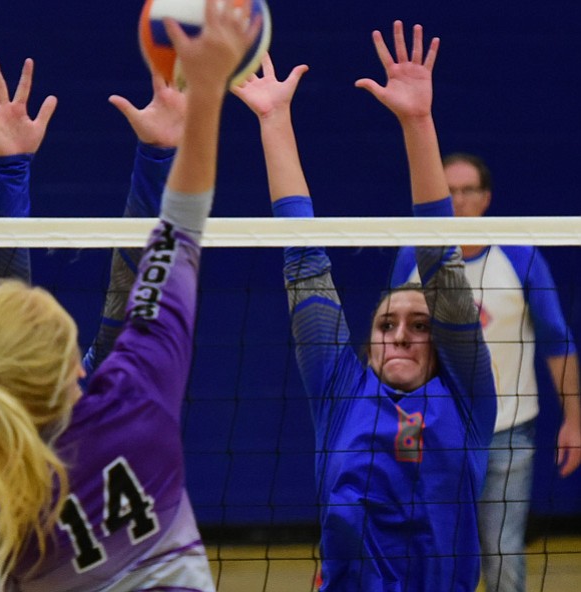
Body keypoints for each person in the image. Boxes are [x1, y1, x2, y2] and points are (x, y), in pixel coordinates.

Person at [0, 2, 261, 590]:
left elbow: (7, 306)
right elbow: (165, 250)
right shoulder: (134, 405)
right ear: (78, 370)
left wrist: (9, 171)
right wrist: (192, 114)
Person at [233, 22, 496, 590]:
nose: (400, 334)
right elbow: (304, 265)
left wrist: (418, 120)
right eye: (387, 323)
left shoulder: (467, 397)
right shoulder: (340, 390)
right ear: (367, 340)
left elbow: (439, 262)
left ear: (444, 340)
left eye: (420, 325)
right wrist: (274, 120)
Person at [0, 55, 186, 459]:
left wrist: (11, 169)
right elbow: (8, 309)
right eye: (69, 360)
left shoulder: (80, 404)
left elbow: (124, 308)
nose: (83, 370)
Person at [390, 152, 581, 592]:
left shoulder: (519, 256)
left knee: (500, 550)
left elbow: (557, 339)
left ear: (486, 197)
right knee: (432, 549)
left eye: (467, 190)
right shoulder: (413, 256)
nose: (457, 200)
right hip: (434, 430)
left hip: (509, 430)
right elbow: (391, 343)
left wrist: (574, 419)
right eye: (448, 191)